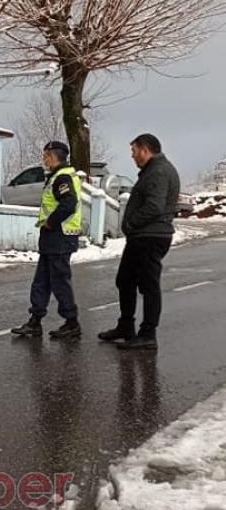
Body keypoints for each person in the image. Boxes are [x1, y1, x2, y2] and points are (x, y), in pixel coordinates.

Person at [99, 134, 180, 351]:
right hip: (142, 236)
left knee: (149, 285)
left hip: (150, 237)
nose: (132, 156)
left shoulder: (159, 171)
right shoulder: (153, 170)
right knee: (125, 280)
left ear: (145, 150)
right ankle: (126, 326)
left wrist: (131, 223)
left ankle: (148, 334)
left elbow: (154, 206)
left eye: (134, 151)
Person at [12, 141, 82, 340]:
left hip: (60, 236)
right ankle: (35, 321)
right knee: (41, 281)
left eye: (46, 156)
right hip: (53, 238)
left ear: (54, 156)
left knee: (59, 281)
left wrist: (51, 222)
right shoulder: (57, 177)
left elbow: (69, 204)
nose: (44, 159)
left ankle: (71, 322)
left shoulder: (62, 178)